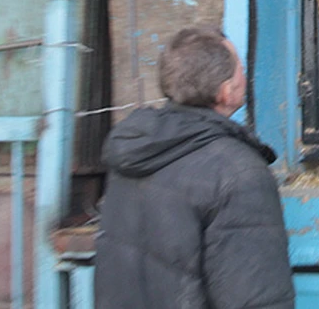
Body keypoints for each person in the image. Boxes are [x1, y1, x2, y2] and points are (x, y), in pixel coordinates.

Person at [94, 25, 295, 309]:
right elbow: (257, 297)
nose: (244, 75)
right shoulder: (238, 172)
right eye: (239, 68)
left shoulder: (133, 152)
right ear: (225, 92)